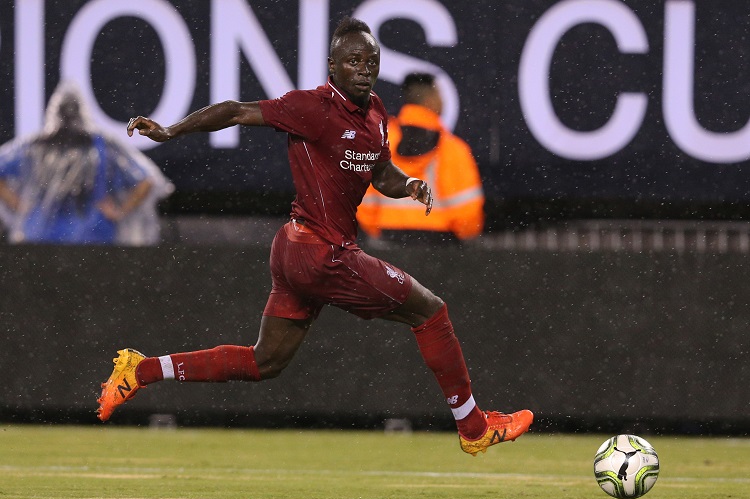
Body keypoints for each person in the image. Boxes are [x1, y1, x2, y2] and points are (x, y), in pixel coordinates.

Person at [97, 17, 532, 455]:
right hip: (321, 253)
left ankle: (142, 370)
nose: (364, 68)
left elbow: (380, 172)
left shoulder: (378, 113)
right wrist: (171, 131)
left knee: (264, 361)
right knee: (430, 312)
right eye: (353, 60)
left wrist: (409, 186)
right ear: (333, 66)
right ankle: (474, 427)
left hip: (297, 248)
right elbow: (233, 110)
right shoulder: (311, 107)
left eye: (371, 60)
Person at [0, 81, 173, 245]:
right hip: (92, 235)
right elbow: (147, 180)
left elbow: (147, 181)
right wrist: (120, 212)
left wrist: (20, 206)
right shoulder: (102, 145)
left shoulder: (35, 146)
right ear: (83, 112)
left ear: (54, 113)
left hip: (41, 234)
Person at [357, 72, 484, 246]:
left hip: (389, 242)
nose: (443, 102)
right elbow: (467, 214)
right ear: (430, 100)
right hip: (440, 246)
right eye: (440, 95)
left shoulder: (381, 141)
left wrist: (378, 230)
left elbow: (361, 195)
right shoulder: (452, 149)